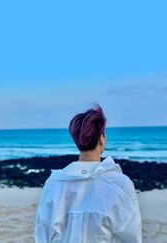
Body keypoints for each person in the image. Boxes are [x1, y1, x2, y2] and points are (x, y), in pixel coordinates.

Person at [34, 104, 142, 242]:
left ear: (76, 140)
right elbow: (133, 238)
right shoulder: (119, 184)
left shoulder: (53, 183)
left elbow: (42, 235)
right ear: (101, 138)